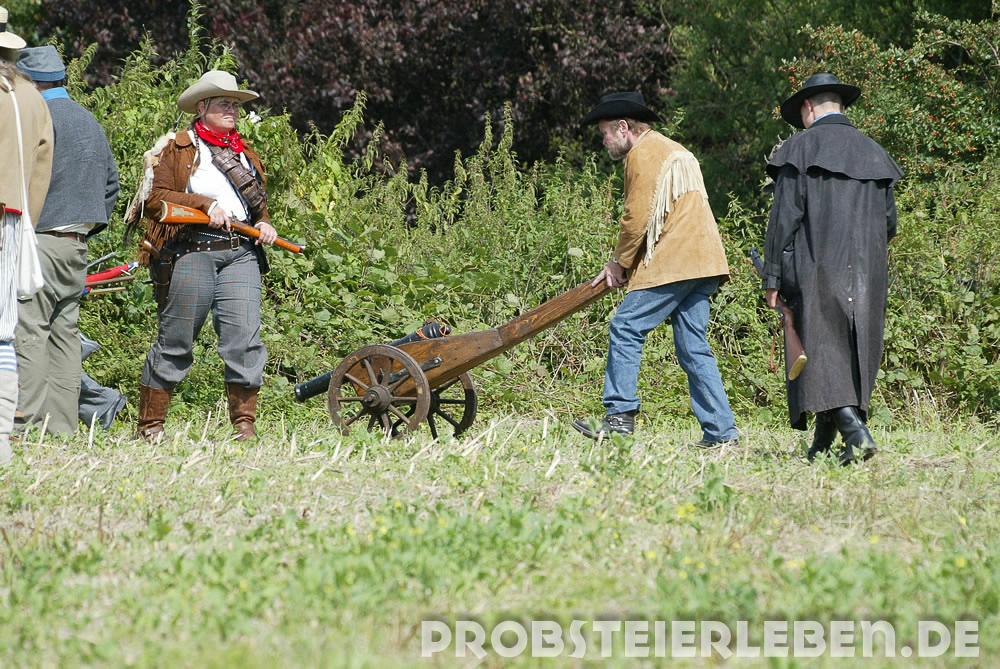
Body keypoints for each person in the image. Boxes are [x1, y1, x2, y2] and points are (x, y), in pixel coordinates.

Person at [572, 92, 739, 447]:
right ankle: (721, 433)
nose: (604, 141)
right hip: (704, 260)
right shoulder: (674, 148)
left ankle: (619, 418)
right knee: (693, 346)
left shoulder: (644, 152)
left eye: (605, 133)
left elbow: (637, 217)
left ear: (623, 127)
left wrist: (619, 263)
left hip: (675, 261)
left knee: (625, 326)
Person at [764, 73, 903, 465]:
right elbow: (890, 222)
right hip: (870, 270)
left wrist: (772, 277)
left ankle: (856, 434)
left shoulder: (800, 148)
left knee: (820, 348)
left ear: (808, 107)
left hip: (817, 265)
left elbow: (783, 220)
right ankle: (823, 444)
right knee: (854, 349)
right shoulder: (874, 152)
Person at [133, 70, 277, 441]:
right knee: (176, 339)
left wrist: (264, 222)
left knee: (244, 340)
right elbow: (154, 200)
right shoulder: (177, 148)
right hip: (193, 249)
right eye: (224, 104)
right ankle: (150, 426)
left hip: (241, 253)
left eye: (235, 105)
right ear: (202, 107)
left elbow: (256, 203)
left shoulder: (244, 152)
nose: (232, 110)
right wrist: (204, 204)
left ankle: (244, 426)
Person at [13, 45, 120, 436]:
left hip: (39, 241)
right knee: (65, 338)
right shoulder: (88, 119)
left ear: (29, 82)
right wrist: (83, 228)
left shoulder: (35, 116)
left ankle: (25, 427)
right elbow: (112, 185)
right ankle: (61, 429)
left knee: (30, 333)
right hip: (77, 244)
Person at [0, 9, 54, 465]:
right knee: (3, 333)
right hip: (14, 220)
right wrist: (23, 224)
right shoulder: (31, 98)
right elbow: (40, 170)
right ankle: (1, 439)